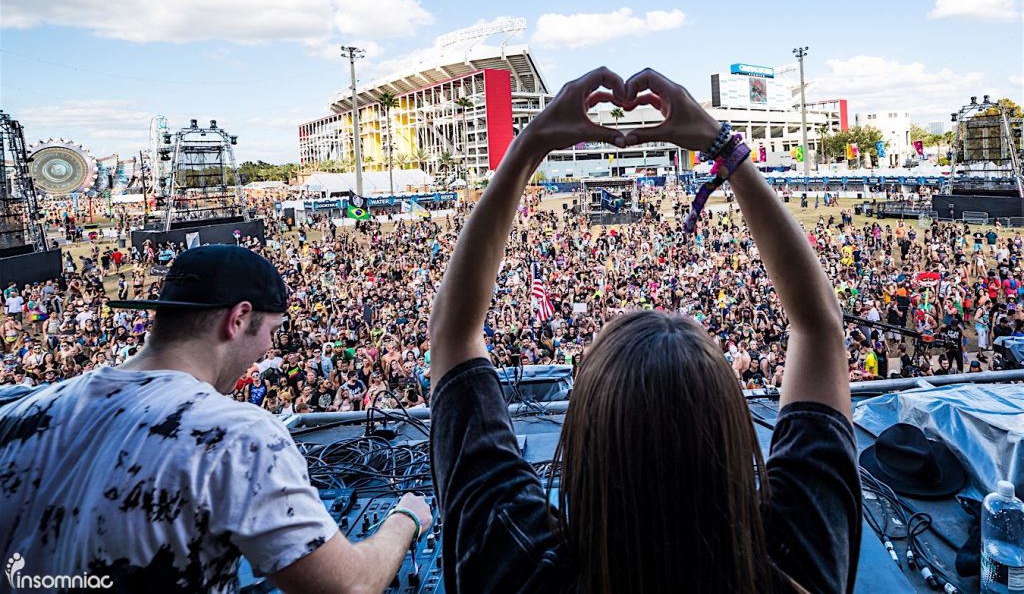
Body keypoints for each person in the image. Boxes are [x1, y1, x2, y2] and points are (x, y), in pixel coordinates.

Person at [428, 68, 860, 593]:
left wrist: (529, 143)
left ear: (583, 448)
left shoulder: (515, 563)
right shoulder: (797, 558)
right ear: (732, 440)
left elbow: (452, 332)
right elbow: (819, 327)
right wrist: (724, 147)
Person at [0, 245, 430, 592]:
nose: (269, 350)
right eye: (272, 332)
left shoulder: (20, 411)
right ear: (238, 319)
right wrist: (405, 519)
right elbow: (348, 586)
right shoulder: (235, 436)